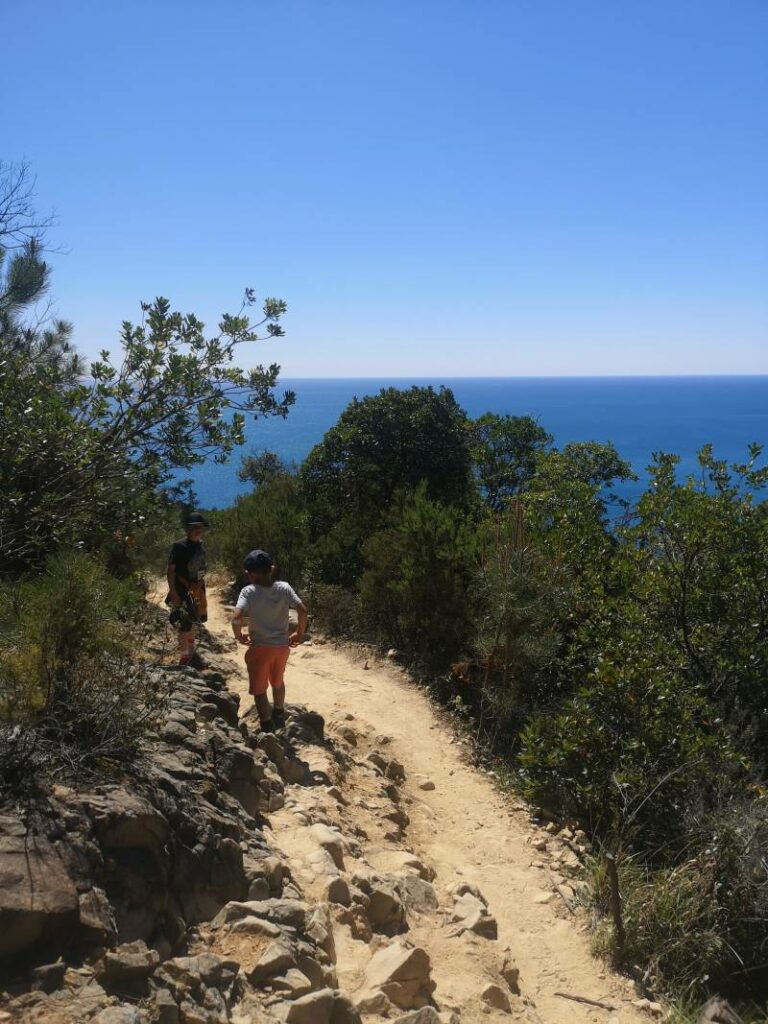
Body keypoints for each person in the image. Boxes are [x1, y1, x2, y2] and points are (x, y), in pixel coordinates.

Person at [232, 549, 307, 732]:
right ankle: (279, 714)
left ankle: (266, 726)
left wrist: (239, 635)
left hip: (260, 649)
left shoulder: (248, 592)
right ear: (272, 568)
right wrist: (299, 633)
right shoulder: (284, 587)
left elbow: (236, 619)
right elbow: (303, 610)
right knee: (278, 682)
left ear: (248, 573)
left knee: (259, 690)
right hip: (282, 647)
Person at [166, 511, 209, 668]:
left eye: (201, 527)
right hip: (181, 588)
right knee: (184, 622)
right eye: (195, 527)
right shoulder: (178, 546)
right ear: (188, 529)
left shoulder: (201, 545)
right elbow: (171, 570)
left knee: (193, 621)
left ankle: (191, 653)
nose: (199, 530)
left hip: (197, 588)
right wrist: (173, 592)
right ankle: (184, 657)